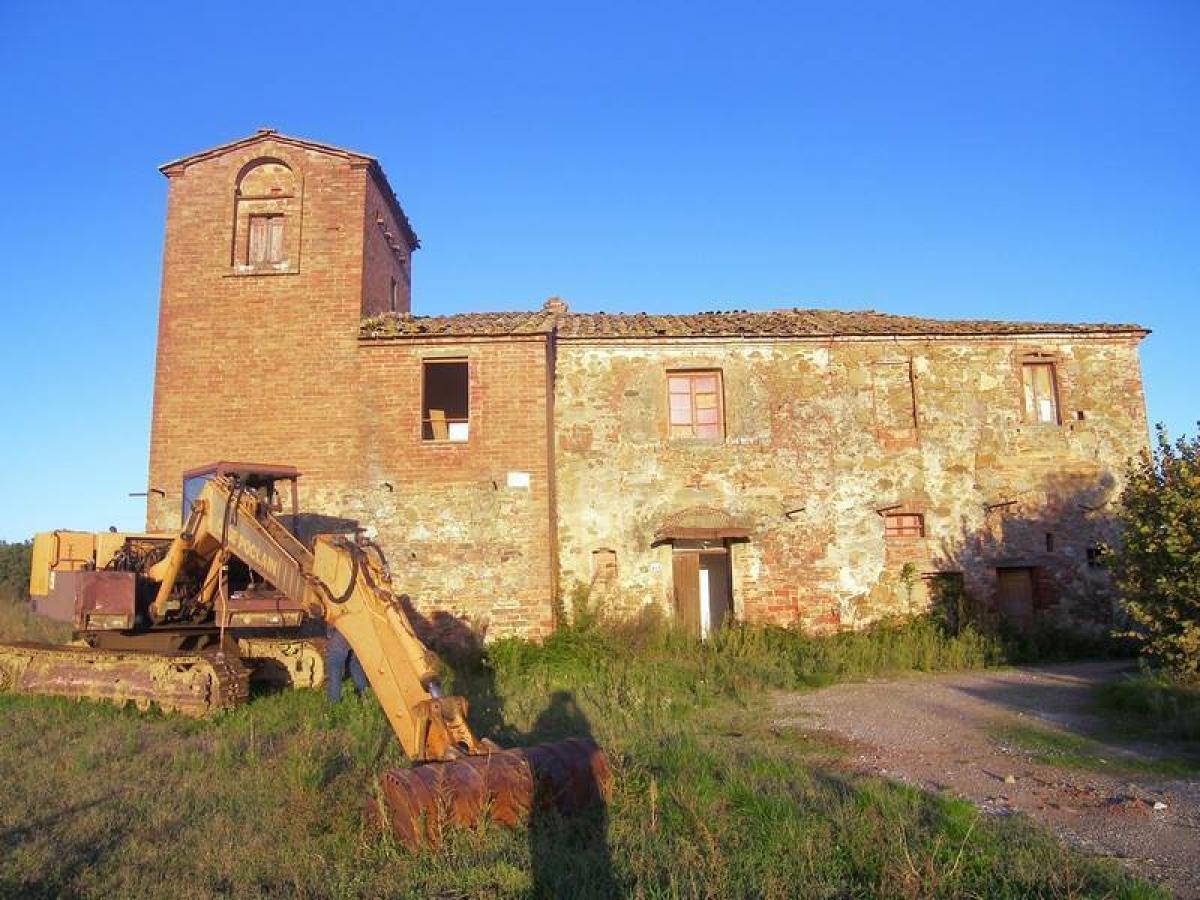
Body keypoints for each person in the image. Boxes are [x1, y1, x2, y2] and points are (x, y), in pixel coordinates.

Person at [325, 620, 368, 702]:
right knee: (354, 664)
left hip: (340, 635)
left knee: (335, 667)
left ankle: (334, 701)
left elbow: (330, 630)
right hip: (354, 633)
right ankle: (364, 694)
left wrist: (330, 633)